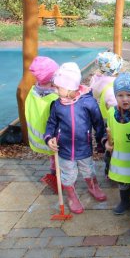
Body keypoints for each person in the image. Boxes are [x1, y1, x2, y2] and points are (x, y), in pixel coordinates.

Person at [44, 62, 106, 214]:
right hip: (64, 149)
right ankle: (71, 195)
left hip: (83, 147)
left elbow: (98, 123)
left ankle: (93, 186)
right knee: (68, 174)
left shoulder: (88, 103)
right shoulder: (57, 105)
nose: (55, 90)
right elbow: (51, 124)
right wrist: (48, 138)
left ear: (70, 87)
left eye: (58, 87)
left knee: (88, 169)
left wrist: (101, 142)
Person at [105, 72, 130, 217]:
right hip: (121, 161)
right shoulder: (111, 113)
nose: (125, 99)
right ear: (115, 96)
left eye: (129, 95)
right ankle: (125, 201)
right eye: (120, 95)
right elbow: (108, 132)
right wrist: (106, 144)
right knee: (123, 181)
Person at [25, 56, 59, 184]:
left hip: (38, 139)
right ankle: (57, 177)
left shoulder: (32, 92)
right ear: (52, 79)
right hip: (52, 139)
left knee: (52, 158)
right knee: (58, 159)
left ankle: (53, 173)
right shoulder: (53, 99)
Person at [91, 51, 123, 176]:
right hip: (112, 120)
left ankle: (108, 166)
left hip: (104, 118)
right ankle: (110, 169)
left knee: (108, 146)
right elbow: (115, 107)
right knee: (112, 146)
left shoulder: (99, 82)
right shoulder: (112, 87)